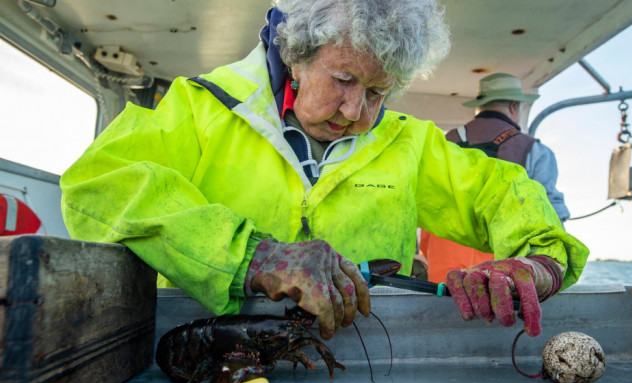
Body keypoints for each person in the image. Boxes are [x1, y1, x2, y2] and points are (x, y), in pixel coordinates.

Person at [60, 0, 588, 341]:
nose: (358, 111)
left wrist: (541, 258)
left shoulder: (410, 141)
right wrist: (254, 257)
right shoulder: (201, 110)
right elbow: (98, 184)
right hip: (203, 347)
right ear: (295, 55)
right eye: (344, 79)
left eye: (379, 91)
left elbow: (501, 192)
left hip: (364, 360)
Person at [422, 73, 570, 284]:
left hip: (443, 272)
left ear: (480, 106)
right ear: (513, 106)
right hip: (501, 280)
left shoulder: (445, 143)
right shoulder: (535, 151)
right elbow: (551, 215)